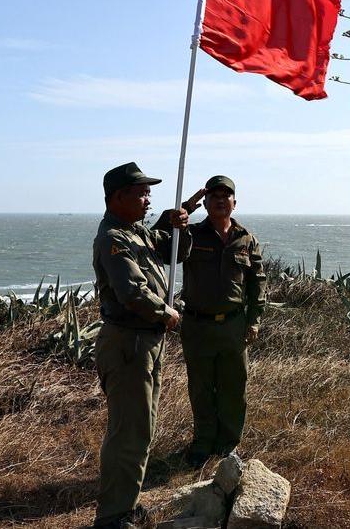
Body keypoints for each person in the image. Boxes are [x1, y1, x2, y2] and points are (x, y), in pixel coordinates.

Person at [92, 162, 203, 529]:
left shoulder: (135, 231)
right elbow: (132, 292)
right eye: (141, 192)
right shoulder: (113, 238)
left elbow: (175, 251)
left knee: (143, 426)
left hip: (145, 344)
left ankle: (127, 503)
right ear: (118, 197)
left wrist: (180, 222)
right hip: (128, 343)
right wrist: (167, 313)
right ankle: (112, 516)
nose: (148, 197)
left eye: (149, 192)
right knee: (129, 431)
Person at [179, 174, 266, 467]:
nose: (219, 200)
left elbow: (258, 283)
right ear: (204, 202)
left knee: (233, 389)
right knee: (201, 389)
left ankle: (227, 444)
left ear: (234, 202)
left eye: (225, 196)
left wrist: (254, 320)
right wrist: (182, 210)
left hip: (233, 326)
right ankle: (203, 443)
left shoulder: (246, 240)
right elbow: (163, 247)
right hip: (197, 326)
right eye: (213, 196)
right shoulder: (189, 235)